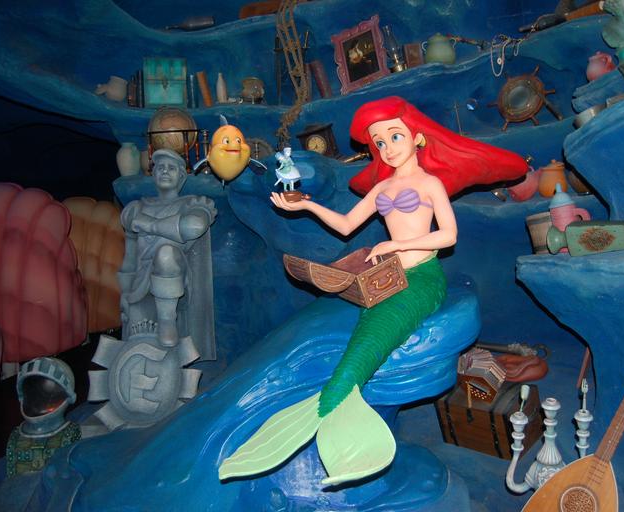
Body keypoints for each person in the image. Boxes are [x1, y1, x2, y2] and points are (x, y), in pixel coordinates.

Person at [219, 96, 527, 486]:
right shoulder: (383, 186)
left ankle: (334, 407)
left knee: (378, 331)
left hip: (423, 277)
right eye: (379, 142)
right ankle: (334, 406)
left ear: (416, 137)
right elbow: (347, 225)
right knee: (366, 332)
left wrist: (398, 244)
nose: (387, 147)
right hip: (388, 276)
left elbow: (448, 236)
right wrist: (307, 207)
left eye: (394, 136)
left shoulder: (429, 183)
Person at [118, 149, 217, 354]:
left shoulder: (192, 204)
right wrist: (124, 295)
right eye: (160, 167)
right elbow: (130, 257)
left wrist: (150, 225)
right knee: (140, 351)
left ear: (181, 177)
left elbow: (195, 226)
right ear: (153, 174)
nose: (164, 171)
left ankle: (167, 320)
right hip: (141, 286)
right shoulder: (136, 208)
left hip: (177, 281)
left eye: (171, 168)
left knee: (166, 253)